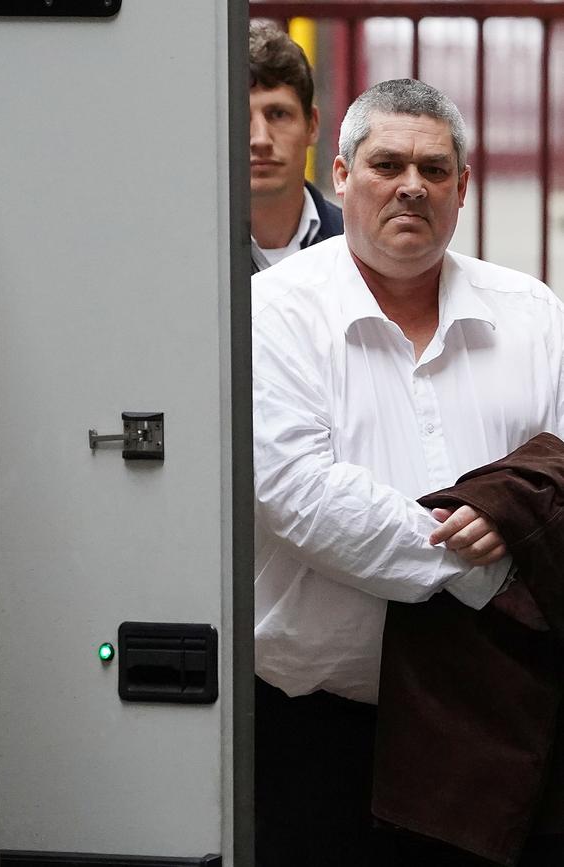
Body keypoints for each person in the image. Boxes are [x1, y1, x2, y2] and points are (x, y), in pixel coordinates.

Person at [252, 78, 564, 867]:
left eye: (433, 169)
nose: (410, 187)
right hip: (319, 737)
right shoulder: (271, 313)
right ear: (344, 175)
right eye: (387, 163)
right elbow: (299, 493)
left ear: (463, 188)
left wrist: (515, 511)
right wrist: (487, 561)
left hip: (496, 730)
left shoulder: (532, 315)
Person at [249, 20, 343, 273]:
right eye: (238, 118)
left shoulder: (360, 247)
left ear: (312, 125)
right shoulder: (181, 249)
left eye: (278, 114)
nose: (260, 140)